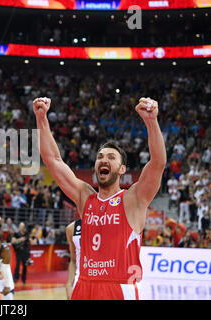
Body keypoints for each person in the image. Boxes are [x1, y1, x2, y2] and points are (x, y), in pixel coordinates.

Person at [34, 96, 166, 300]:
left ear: (122, 169)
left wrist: (151, 121)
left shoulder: (133, 199)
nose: (104, 160)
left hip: (119, 288)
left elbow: (157, 163)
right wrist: (41, 118)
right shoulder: (85, 197)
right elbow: (53, 160)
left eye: (111, 157)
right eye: (100, 157)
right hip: (84, 285)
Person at [65, 219, 81, 300]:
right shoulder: (71, 228)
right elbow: (73, 261)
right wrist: (69, 284)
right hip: (81, 282)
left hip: (106, 282)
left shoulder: (111, 223)